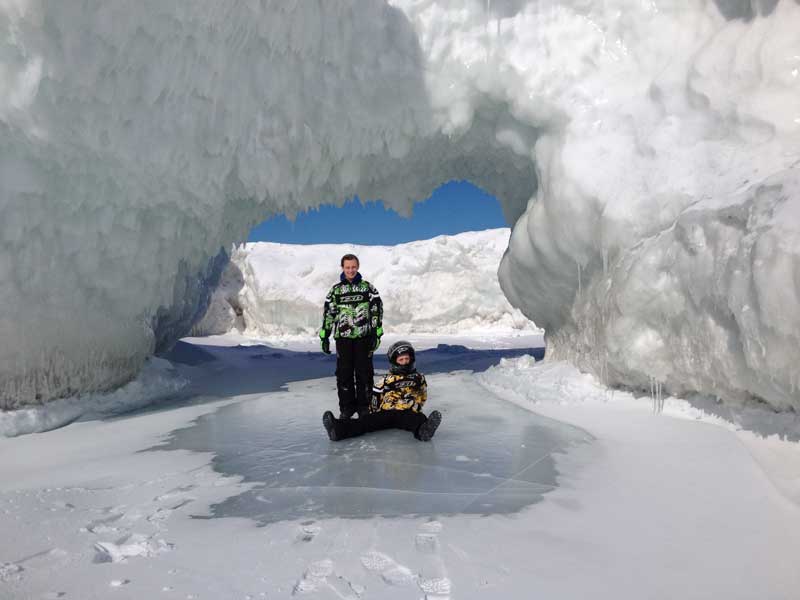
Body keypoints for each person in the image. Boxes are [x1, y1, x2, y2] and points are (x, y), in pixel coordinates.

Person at [322, 341, 443, 442]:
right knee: (364, 422)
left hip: (407, 412)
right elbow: (375, 398)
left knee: (418, 419)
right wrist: (373, 413)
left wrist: (416, 406)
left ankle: (423, 432)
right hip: (386, 412)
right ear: (394, 361)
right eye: (401, 359)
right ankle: (338, 430)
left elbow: (422, 395)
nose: (405, 362)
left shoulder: (418, 378)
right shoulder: (385, 380)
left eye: (407, 359)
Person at [319, 253, 383, 419]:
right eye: (347, 267)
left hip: (364, 337)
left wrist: (376, 332)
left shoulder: (368, 288)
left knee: (364, 373)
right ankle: (347, 408)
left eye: (353, 267)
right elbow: (329, 314)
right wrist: (325, 335)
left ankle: (364, 407)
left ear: (358, 267)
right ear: (343, 268)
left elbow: (376, 310)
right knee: (344, 374)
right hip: (343, 338)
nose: (350, 270)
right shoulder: (336, 290)